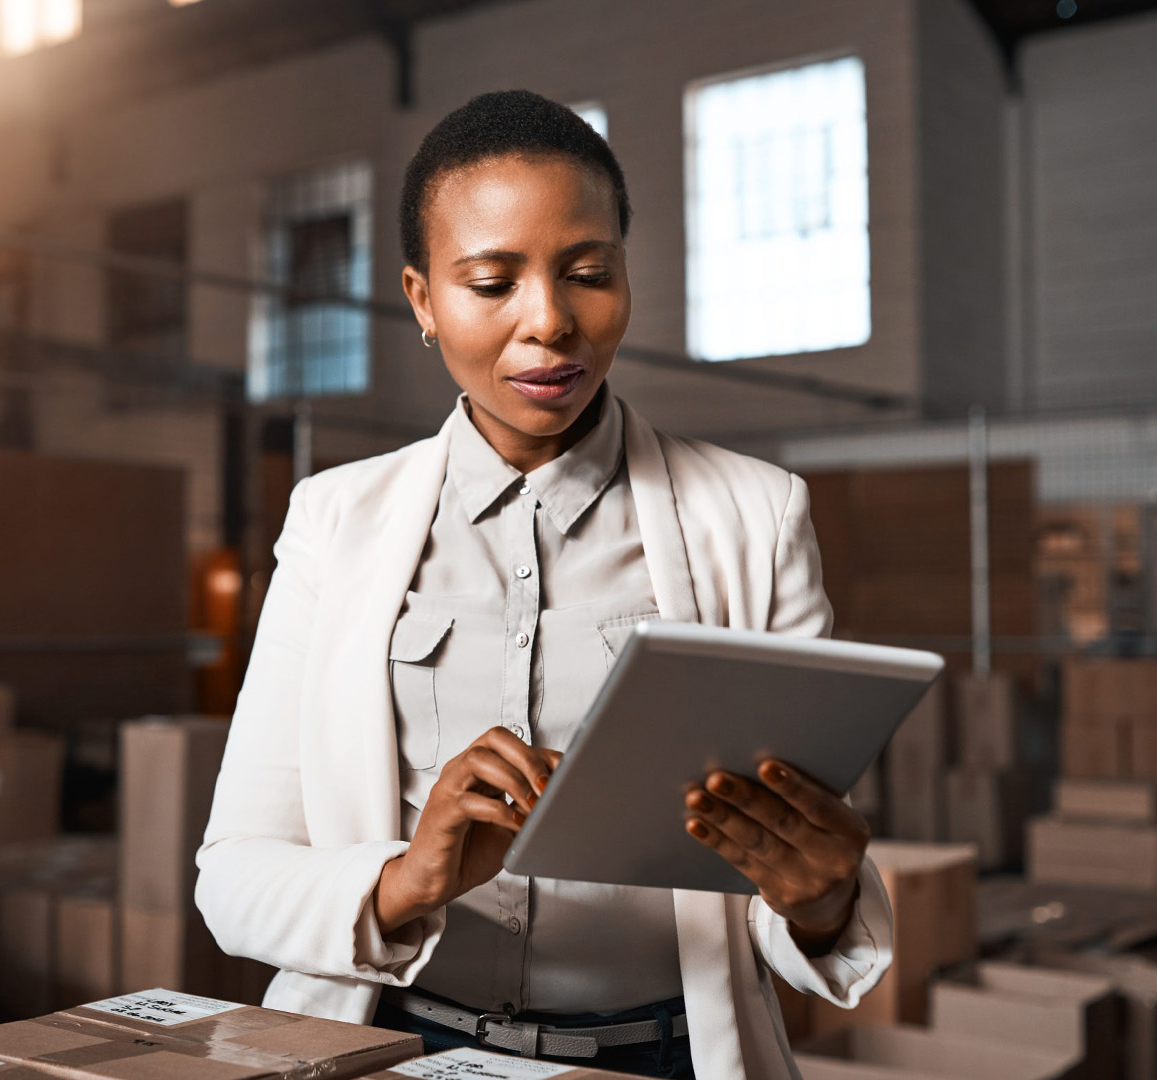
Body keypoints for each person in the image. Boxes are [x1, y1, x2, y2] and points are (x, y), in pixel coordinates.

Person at [192, 90, 890, 1080]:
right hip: (393, 1045)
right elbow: (235, 878)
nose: (551, 322)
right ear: (423, 299)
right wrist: (405, 880)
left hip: (661, 1055)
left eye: (588, 274)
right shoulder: (336, 520)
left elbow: (791, 877)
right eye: (490, 282)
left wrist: (821, 900)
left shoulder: (753, 514)